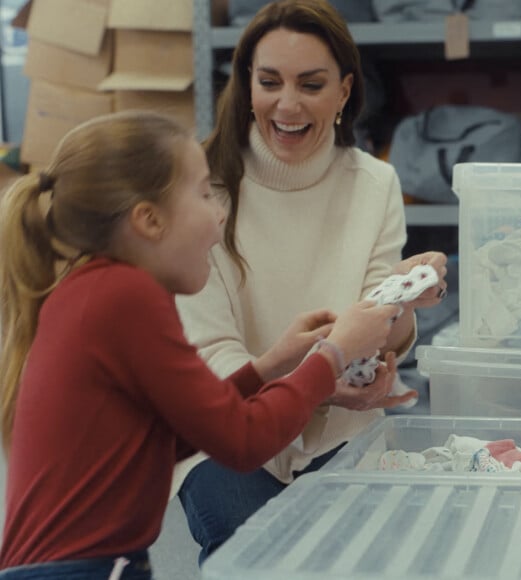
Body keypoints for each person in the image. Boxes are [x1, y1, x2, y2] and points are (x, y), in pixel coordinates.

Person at [0, 110, 405, 579]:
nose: (218, 214)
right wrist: (332, 353)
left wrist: (271, 365)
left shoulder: (92, 291)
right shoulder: (126, 297)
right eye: (202, 194)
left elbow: (180, 434)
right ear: (149, 220)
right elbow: (240, 440)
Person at [174, 0, 448, 566]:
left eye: (311, 84)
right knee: (251, 552)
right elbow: (209, 354)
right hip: (226, 428)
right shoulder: (202, 187)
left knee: (368, 558)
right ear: (246, 84)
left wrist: (404, 300)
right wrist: (317, 379)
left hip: (339, 424)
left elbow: (375, 324)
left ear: (344, 92)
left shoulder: (374, 183)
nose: (288, 104)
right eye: (269, 81)